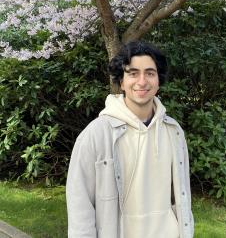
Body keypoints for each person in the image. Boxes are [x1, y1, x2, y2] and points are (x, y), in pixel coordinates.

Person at [66, 41, 194, 238]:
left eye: (150, 73)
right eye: (133, 73)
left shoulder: (173, 131)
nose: (142, 82)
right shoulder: (97, 134)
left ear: (159, 80)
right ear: (122, 81)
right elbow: (79, 202)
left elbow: (181, 197)